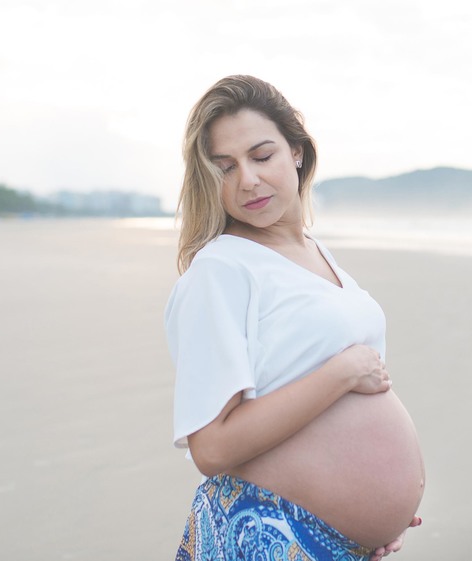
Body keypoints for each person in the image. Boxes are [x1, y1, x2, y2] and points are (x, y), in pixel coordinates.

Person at [165, 75, 425, 561]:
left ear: (297, 152)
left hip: (345, 545)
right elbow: (212, 449)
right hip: (265, 529)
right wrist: (343, 372)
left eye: (262, 157)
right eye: (225, 168)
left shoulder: (317, 254)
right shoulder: (221, 269)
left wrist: (385, 511)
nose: (247, 179)